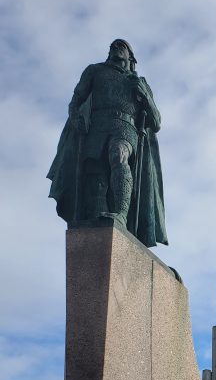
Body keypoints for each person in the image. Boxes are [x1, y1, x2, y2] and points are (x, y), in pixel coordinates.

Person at [48, 39, 167, 248]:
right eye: (113, 46)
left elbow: (156, 122)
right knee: (96, 177)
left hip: (125, 127)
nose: (115, 48)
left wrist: (145, 95)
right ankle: (99, 224)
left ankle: (121, 214)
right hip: (97, 127)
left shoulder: (139, 82)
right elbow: (76, 99)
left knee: (118, 154)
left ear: (130, 56)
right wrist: (76, 117)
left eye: (121, 46)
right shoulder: (95, 71)